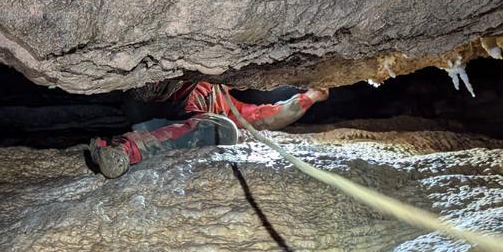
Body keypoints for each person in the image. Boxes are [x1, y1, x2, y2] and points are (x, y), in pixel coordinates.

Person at [89, 81, 329, 178]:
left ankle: (116, 150)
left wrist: (309, 97)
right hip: (154, 101)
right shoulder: (205, 86)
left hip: (167, 118)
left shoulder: (222, 101)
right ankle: (125, 148)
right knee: (216, 127)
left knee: (219, 129)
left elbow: (265, 117)